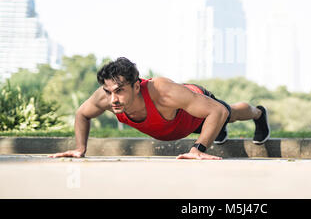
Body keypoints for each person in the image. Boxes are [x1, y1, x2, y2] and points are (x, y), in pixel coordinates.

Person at [49, 57, 270, 160]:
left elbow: (217, 112)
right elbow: (82, 114)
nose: (113, 99)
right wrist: (80, 148)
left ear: (137, 86)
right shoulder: (106, 97)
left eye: (119, 90)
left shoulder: (162, 91)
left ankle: (259, 113)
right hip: (180, 124)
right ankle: (215, 130)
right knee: (216, 123)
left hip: (197, 107)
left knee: (228, 113)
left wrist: (197, 150)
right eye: (108, 92)